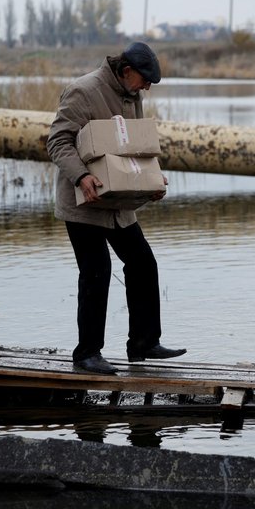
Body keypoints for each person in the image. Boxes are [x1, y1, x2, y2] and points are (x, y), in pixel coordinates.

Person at [47, 42, 186, 375]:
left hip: (118, 203)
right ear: (126, 71)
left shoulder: (131, 96)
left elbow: (132, 149)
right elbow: (57, 141)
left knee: (142, 263)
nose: (148, 87)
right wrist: (81, 176)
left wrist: (151, 179)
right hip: (84, 202)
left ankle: (143, 343)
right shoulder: (83, 91)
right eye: (145, 79)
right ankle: (86, 354)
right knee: (97, 272)